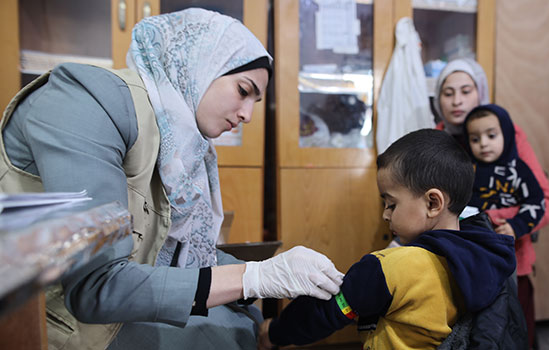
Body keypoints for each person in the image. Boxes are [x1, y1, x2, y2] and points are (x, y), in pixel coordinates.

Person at [0, 9, 343, 350]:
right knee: (231, 335)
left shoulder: (179, 144)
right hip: (54, 318)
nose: (248, 115)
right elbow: (96, 286)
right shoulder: (85, 101)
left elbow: (176, 249)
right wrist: (253, 278)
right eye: (243, 90)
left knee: (245, 322)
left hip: (110, 302)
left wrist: (268, 273)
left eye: (256, 101)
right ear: (199, 62)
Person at [257, 129, 517, 350]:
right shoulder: (485, 256)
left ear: (433, 202)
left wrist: (273, 333)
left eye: (391, 204)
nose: (385, 215)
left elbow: (327, 314)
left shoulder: (390, 268)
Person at [434, 58, 549, 347]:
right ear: (437, 99)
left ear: (481, 92)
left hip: (510, 255)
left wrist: (490, 219)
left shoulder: (506, 133)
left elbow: (546, 202)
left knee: (513, 331)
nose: (457, 101)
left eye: (466, 91)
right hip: (457, 257)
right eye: (448, 93)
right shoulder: (435, 139)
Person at [464, 104, 546, 239]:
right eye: (475, 139)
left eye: (491, 135)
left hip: (514, 246)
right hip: (475, 242)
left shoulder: (519, 170)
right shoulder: (467, 169)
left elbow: (537, 202)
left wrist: (517, 226)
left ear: (506, 134)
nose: (483, 143)